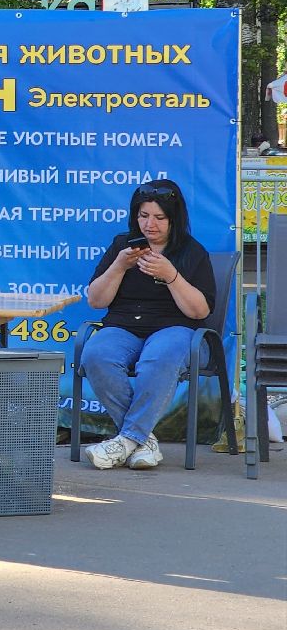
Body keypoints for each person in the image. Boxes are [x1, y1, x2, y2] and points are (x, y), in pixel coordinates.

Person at [80, 179, 214, 471]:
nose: (149, 225)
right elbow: (96, 300)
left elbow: (199, 310)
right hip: (124, 326)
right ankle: (142, 441)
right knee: (95, 354)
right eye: (143, 216)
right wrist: (119, 266)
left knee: (159, 358)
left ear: (174, 219)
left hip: (177, 329)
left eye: (159, 218)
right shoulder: (121, 245)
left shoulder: (192, 252)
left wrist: (171, 276)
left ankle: (126, 439)